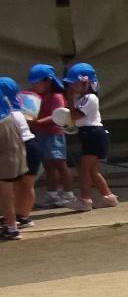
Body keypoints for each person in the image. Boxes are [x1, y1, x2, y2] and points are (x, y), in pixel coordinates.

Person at [63, 62, 116, 211]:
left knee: (84, 170)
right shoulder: (81, 99)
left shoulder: (90, 98)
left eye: (75, 84)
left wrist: (69, 99)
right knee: (93, 170)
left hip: (94, 134)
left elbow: (75, 115)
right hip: (90, 134)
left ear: (86, 83)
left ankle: (85, 200)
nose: (72, 87)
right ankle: (108, 197)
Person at [23, 64, 72, 209]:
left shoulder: (57, 96)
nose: (34, 85)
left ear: (48, 81)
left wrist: (37, 121)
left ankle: (69, 194)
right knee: (47, 165)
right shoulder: (38, 96)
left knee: (60, 164)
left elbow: (56, 115)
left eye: (36, 82)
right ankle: (52, 195)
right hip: (41, 134)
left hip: (53, 134)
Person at [0, 76, 29, 240]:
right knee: (16, 190)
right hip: (18, 157)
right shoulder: (12, 115)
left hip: (6, 161)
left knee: (6, 195)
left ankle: (12, 228)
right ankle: (19, 219)